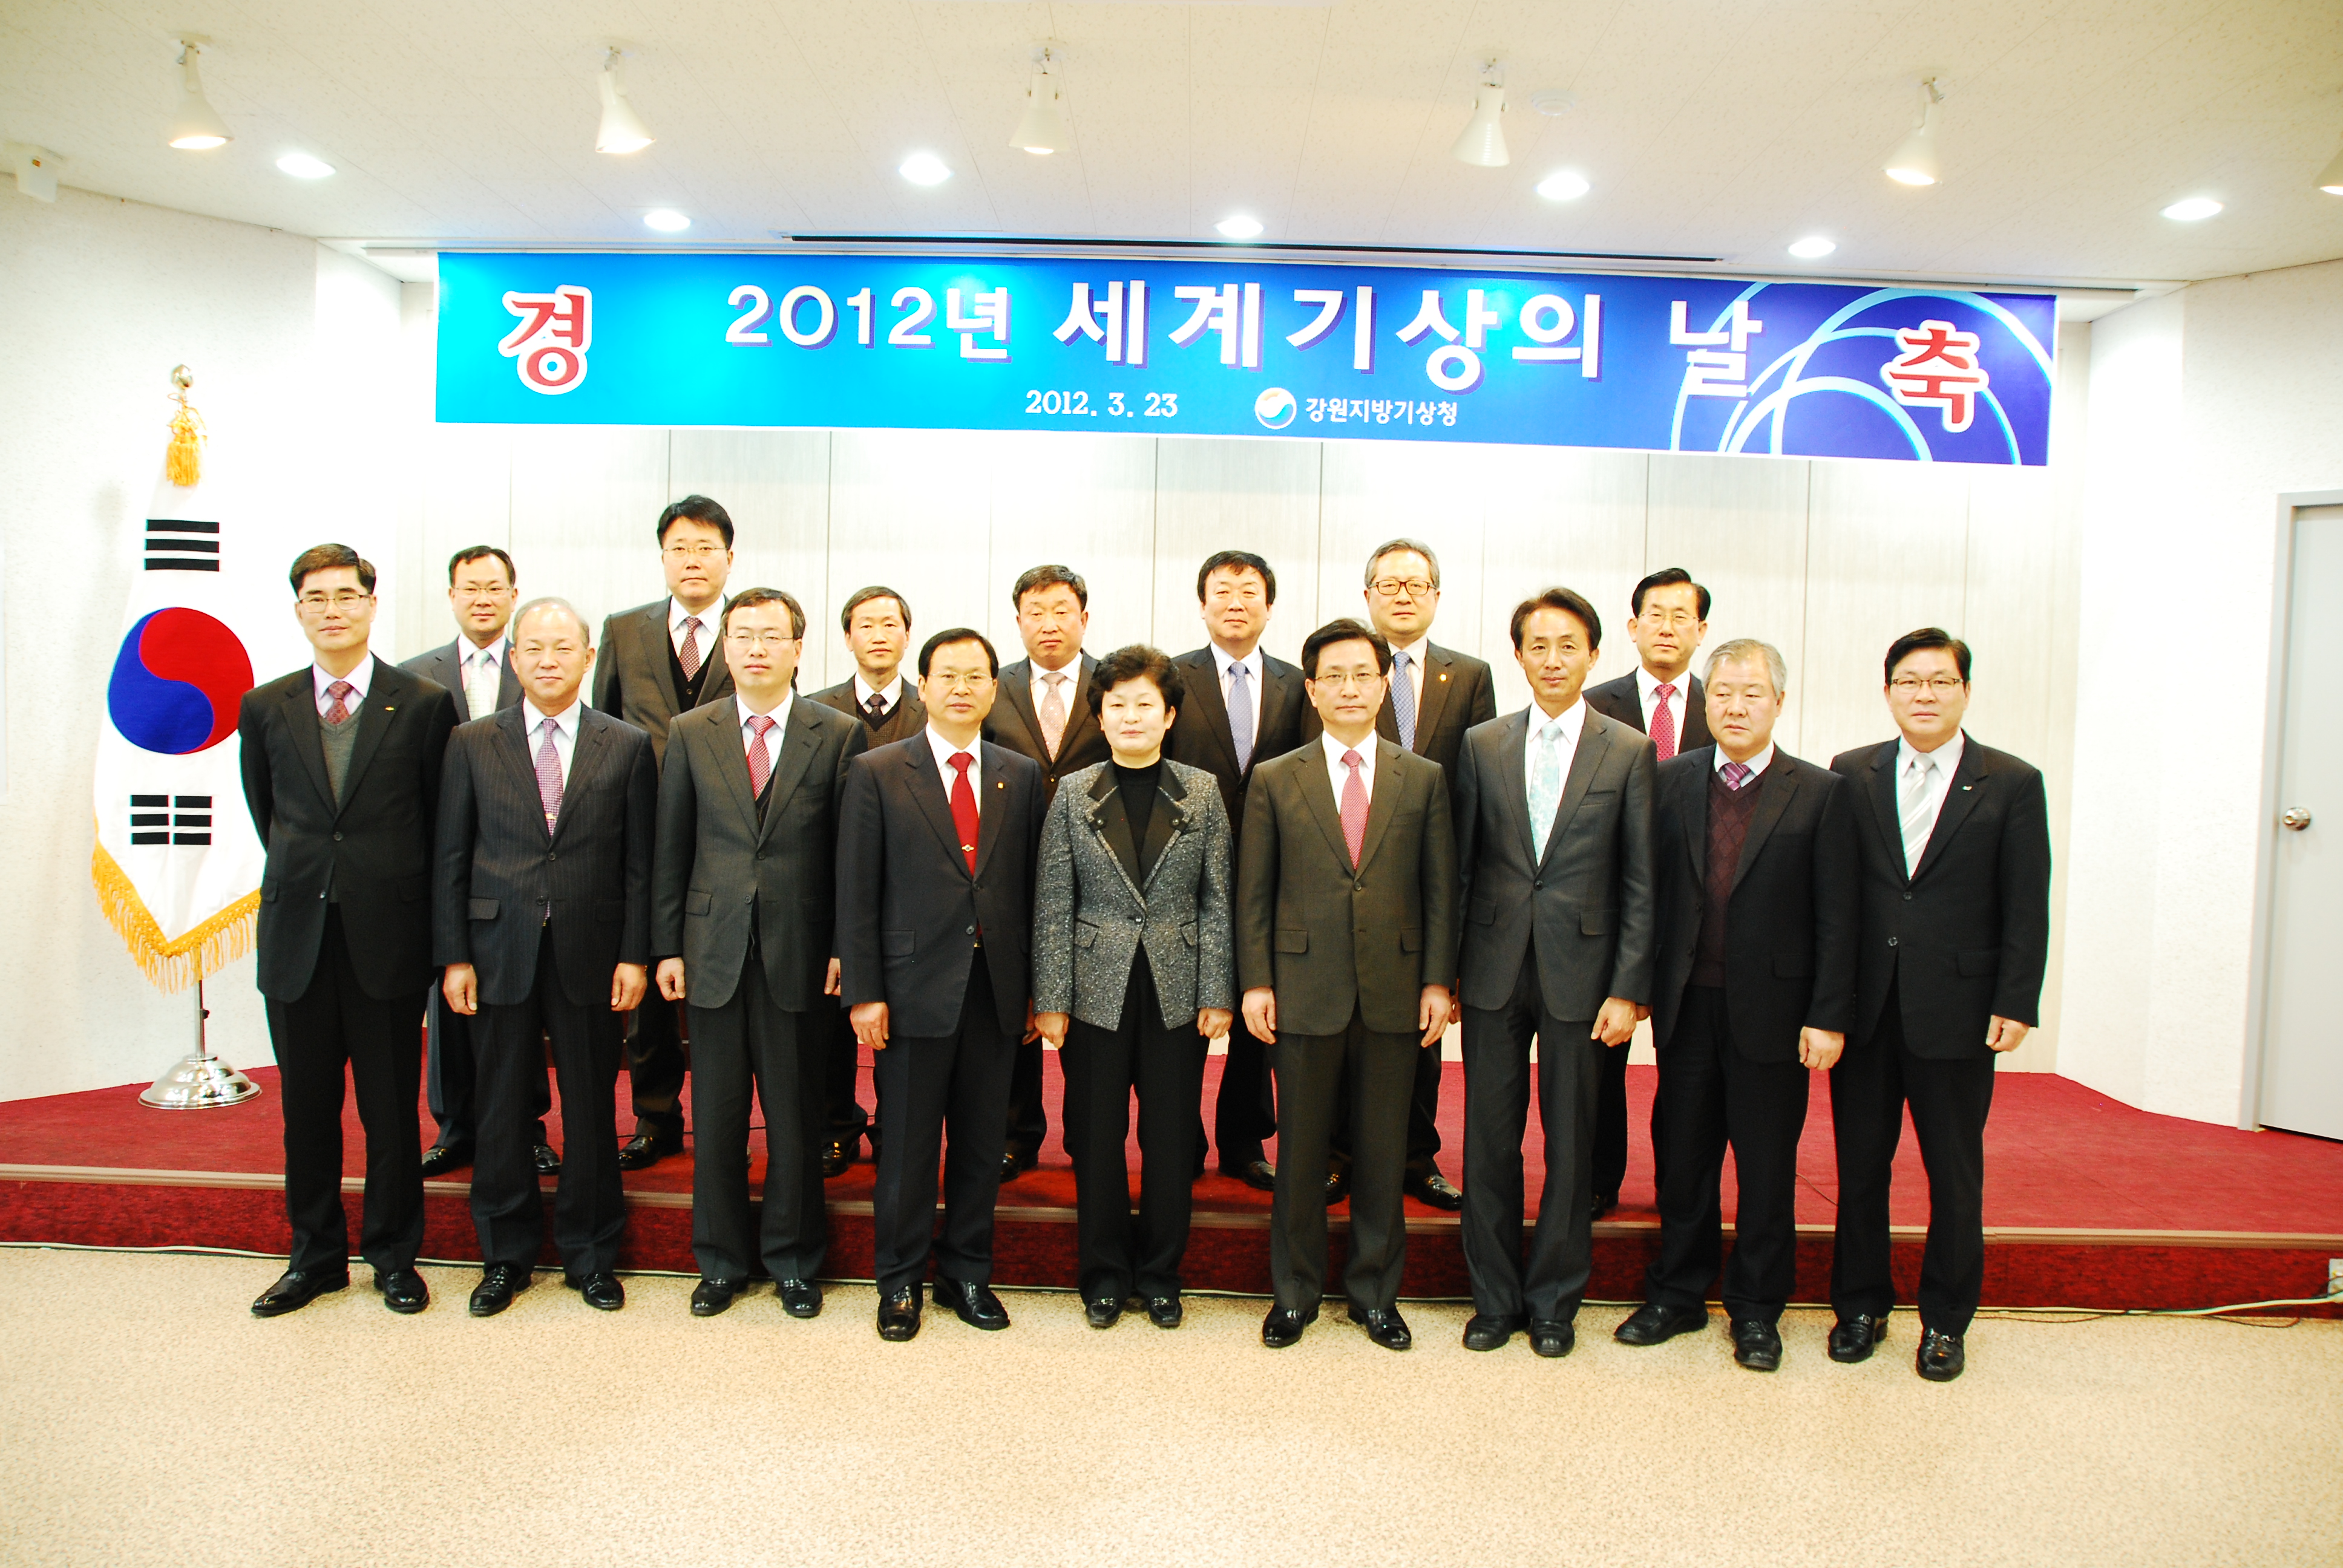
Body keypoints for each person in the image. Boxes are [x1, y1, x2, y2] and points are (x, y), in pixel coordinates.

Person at [1612, 639, 1856, 1371]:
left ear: (1778, 702)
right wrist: (1637, 985)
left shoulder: (1820, 792)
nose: (1735, 706)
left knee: (1765, 1167)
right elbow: (1644, 891)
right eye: (1722, 693)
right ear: (1704, 700)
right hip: (1686, 1006)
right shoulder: (1668, 778)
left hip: (1775, 1015)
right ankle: (1676, 1295)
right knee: (1681, 1159)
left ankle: (1755, 1309)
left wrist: (1827, 1013)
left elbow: (1837, 914)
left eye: (1752, 693)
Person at [240, 544, 457, 1318]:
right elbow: (268, 813)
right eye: (316, 598)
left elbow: (438, 825)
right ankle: (315, 1258)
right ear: (299, 610)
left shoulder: (422, 703)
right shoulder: (266, 706)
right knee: (306, 1111)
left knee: (390, 1112)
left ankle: (394, 1257)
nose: (331, 610)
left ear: (371, 604)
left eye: (345, 595)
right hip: (297, 936)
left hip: (386, 940)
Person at [1827, 629, 2050, 1382]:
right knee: (1860, 1168)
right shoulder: (1851, 772)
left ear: (1964, 691)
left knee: (1953, 1174)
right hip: (1865, 1009)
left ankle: (1946, 1322)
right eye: (1908, 682)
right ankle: (1859, 1307)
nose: (1923, 695)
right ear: (1886, 691)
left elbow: (2025, 903)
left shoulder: (2010, 782)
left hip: (1957, 1010)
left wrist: (2016, 998)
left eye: (1939, 682)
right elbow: (1837, 898)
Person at [1237, 618, 1458, 1351]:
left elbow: (1439, 890)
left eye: (1362, 674)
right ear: (1311, 689)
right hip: (1303, 989)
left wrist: (1437, 981)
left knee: (1382, 1151)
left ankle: (1374, 1294)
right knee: (1300, 1154)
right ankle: (1293, 1293)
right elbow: (1254, 892)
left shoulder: (1421, 777)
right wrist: (1256, 981)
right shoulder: (1276, 777)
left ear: (1384, 683)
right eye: (1332, 676)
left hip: (1395, 991)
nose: (1349, 688)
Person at [432, 598, 657, 1317]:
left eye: (563, 648)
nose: (548, 660)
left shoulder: (625, 744)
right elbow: (451, 856)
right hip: (496, 948)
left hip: (593, 951)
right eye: (533, 648)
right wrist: (454, 956)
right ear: (514, 658)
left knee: (591, 1108)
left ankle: (591, 1255)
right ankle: (505, 1256)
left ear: (588, 658)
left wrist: (635, 955)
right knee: (500, 1108)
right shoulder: (472, 741)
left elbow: (640, 865)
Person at [1451, 588, 1657, 1357]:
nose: (1552, 659)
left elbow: (1640, 880)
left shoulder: (1628, 749)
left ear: (1594, 655)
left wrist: (1628, 988)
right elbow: (1461, 868)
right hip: (1492, 969)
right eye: (1537, 645)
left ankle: (1553, 1305)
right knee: (1487, 1144)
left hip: (1586, 978)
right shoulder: (1482, 743)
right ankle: (1493, 1300)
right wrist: (1446, 974)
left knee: (1571, 1149)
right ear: (1517, 655)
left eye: (1567, 645)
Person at [654, 589, 866, 1322]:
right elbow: (671, 847)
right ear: (725, 646)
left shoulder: (835, 733)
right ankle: (719, 1262)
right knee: (715, 1119)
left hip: (799, 952)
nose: (754, 648)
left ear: (797, 648)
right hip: (709, 950)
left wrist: (843, 947)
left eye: (770, 635)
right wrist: (666, 946)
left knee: (794, 1119)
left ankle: (795, 1262)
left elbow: (848, 855)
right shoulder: (691, 731)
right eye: (742, 634)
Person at [836, 629, 1046, 1341]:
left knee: (983, 1146)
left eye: (975, 676)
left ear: (994, 688)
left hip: (994, 990)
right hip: (907, 990)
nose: (962, 688)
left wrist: (1035, 990)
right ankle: (898, 1282)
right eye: (947, 675)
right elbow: (856, 891)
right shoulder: (876, 771)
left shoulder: (1019, 775)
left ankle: (967, 1274)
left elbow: (1033, 890)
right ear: (921, 686)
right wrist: (864, 991)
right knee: (906, 1147)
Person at [1032, 645, 1234, 1330]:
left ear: (1169, 714)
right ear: (1100, 716)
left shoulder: (1200, 790)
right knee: (1095, 1135)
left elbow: (1217, 898)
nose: (1131, 716)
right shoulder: (1073, 792)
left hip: (1178, 988)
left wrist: (1217, 991)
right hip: (1095, 987)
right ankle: (1104, 1274)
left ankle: (1161, 1275)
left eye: (1145, 703)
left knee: (1170, 1136)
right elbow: (1054, 900)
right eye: (1116, 704)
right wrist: (1052, 999)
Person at [1331, 537, 1496, 1212]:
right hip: (1345, 875)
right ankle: (1340, 1156)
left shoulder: (1470, 676)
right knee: (1341, 1027)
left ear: (1435, 596)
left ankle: (1414, 1158)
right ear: (1367, 595)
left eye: (1415, 585)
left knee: (1420, 1034)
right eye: (1389, 585)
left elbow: (1479, 786)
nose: (1402, 596)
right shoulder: (1340, 668)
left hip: (1426, 883)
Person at [593, 495, 739, 1171]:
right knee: (649, 980)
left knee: (719, 981)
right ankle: (655, 1117)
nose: (692, 560)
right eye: (680, 548)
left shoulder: (751, 628)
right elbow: (603, 730)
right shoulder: (623, 631)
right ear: (662, 557)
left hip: (725, 835)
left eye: (706, 548)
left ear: (729, 558)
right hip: (643, 835)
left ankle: (722, 1119)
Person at [401, 544, 552, 1181]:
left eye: (495, 588)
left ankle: (528, 1129)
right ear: (452, 596)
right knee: (451, 997)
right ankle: (455, 1126)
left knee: (522, 1003)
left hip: (522, 863)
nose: (483, 599)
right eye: (471, 588)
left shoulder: (540, 664)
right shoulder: (416, 677)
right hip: (447, 859)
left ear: (513, 596)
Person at [1165, 550, 1309, 1192]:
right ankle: (1180, 1137)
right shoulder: (1172, 675)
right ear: (1202, 605)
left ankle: (1243, 1141)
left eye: (1249, 591)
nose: (1235, 602)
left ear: (1268, 607)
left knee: (1258, 1011)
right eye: (1221, 591)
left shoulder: (1297, 683)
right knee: (1184, 1012)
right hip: (1184, 870)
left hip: (1273, 870)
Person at [1581, 566, 1712, 1218]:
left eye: (1680, 616)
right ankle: (1598, 1178)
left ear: (1701, 630)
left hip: (1695, 915)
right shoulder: (1593, 705)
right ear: (1632, 627)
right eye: (1654, 614)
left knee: (1687, 1062)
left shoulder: (1723, 705)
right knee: (1601, 1055)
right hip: (1609, 909)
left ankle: (1677, 1184)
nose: (1666, 627)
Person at [986, 564, 1114, 1180]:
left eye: (1061, 611)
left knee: (1089, 1006)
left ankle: (1089, 1134)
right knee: (1014, 1001)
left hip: (1098, 869)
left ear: (1083, 618)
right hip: (1008, 864)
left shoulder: (1113, 683)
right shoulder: (994, 686)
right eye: (1034, 613)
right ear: (1018, 622)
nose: (1048, 624)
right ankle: (1017, 1132)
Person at [808, 585, 926, 1176]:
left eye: (889, 624)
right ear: (847, 637)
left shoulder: (934, 705)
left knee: (900, 1020)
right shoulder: (815, 710)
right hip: (833, 885)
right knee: (832, 1020)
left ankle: (892, 1129)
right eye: (866, 625)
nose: (878, 635)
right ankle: (835, 1127)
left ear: (907, 635)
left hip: (914, 891)